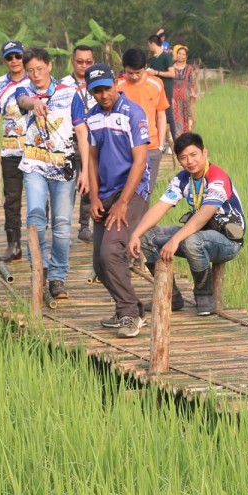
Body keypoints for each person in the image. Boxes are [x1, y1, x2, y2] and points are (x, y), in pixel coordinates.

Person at [128, 132, 246, 315]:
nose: (190, 161)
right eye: (183, 158)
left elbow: (205, 214)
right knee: (147, 237)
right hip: (198, 235)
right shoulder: (182, 178)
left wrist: (175, 240)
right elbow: (160, 207)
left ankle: (204, 297)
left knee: (192, 241)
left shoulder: (217, 177)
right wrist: (135, 234)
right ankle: (171, 296)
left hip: (227, 241)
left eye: (194, 155)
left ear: (204, 153)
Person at [84, 62, 153, 338]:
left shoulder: (133, 114)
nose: (103, 95)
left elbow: (140, 161)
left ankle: (129, 315)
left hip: (132, 192)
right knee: (100, 265)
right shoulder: (92, 117)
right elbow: (91, 157)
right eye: (96, 91)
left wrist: (123, 202)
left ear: (116, 83)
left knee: (111, 251)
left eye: (106, 88)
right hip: (106, 193)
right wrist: (94, 197)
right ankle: (130, 308)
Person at [15, 46, 90, 301]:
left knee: (62, 223)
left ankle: (58, 276)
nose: (35, 74)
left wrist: (86, 172)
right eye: (30, 70)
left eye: (39, 68)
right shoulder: (24, 90)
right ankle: (40, 268)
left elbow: (81, 132)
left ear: (49, 65)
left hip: (64, 168)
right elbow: (24, 101)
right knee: (35, 218)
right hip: (34, 165)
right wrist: (35, 102)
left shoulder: (69, 93)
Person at [0, 40, 29, 261]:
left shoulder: (36, 80)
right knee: (11, 198)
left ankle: (40, 244)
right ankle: (14, 244)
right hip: (10, 150)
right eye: (9, 57)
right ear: (4, 60)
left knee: (40, 200)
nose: (14, 61)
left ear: (24, 57)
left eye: (17, 56)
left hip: (36, 151)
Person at [115, 48, 169, 200]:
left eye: (138, 72)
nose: (134, 76)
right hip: (123, 149)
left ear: (145, 67)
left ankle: (143, 224)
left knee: (145, 194)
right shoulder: (117, 86)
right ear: (124, 68)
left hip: (151, 147)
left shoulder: (156, 84)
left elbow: (161, 114)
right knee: (123, 193)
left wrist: (160, 145)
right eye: (129, 72)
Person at [60, 44, 97, 243]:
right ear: (73, 61)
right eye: (80, 61)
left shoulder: (99, 82)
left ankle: (85, 226)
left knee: (90, 184)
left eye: (88, 62)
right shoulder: (63, 84)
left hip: (94, 142)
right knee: (67, 185)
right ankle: (63, 225)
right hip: (69, 142)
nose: (84, 66)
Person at [146, 35, 176, 147]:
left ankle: (175, 141)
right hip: (154, 91)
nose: (148, 47)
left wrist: (157, 73)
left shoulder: (166, 57)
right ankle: (160, 141)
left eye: (149, 45)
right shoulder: (152, 59)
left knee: (168, 115)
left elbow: (172, 73)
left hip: (166, 89)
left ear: (153, 44)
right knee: (156, 115)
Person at [170, 44, 198, 137]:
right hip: (174, 98)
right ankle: (177, 140)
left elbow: (191, 83)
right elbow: (169, 83)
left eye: (183, 54)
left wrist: (193, 93)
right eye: (179, 53)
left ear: (186, 56)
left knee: (187, 119)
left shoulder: (189, 68)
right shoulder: (171, 68)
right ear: (176, 54)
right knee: (176, 119)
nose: (181, 56)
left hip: (186, 97)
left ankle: (187, 139)